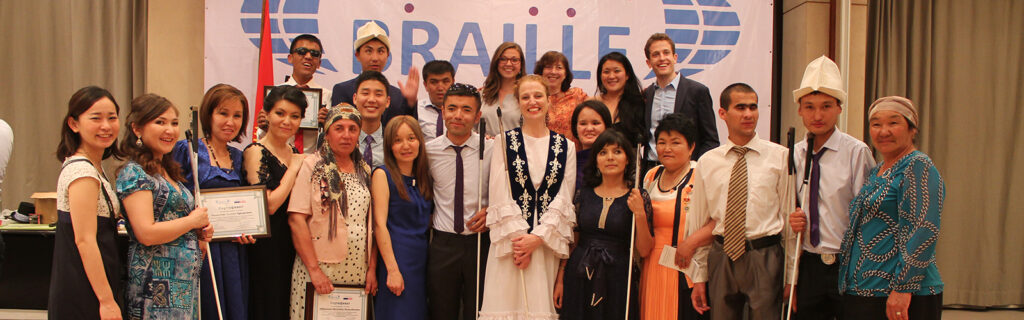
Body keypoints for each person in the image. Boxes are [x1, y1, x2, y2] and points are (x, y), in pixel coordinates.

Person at [684, 83, 796, 320]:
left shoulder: (780, 157)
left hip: (764, 254)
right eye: (740, 108)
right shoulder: (708, 161)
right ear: (722, 113)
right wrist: (699, 277)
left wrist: (791, 276)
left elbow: (788, 218)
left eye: (753, 107)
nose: (748, 114)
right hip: (721, 254)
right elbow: (700, 220)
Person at [479, 75, 576, 319]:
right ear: (518, 103)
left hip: (545, 245)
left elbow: (564, 200)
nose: (532, 101)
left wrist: (537, 238)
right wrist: (520, 243)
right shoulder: (503, 141)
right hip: (509, 245)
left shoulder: (566, 146)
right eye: (525, 97)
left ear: (548, 100)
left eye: (538, 96)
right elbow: (499, 195)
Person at [838, 96, 944, 320]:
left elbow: (923, 229)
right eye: (876, 124)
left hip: (901, 294)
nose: (884, 131)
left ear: (912, 129)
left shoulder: (917, 165)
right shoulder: (877, 171)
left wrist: (903, 288)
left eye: (893, 123)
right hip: (864, 291)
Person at [786, 56, 875, 320]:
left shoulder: (856, 152)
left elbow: (869, 214)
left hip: (847, 263)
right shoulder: (794, 154)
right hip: (809, 264)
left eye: (826, 106)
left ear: (839, 108)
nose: (817, 115)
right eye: (809, 107)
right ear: (799, 110)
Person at [116, 93, 212, 319]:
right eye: (160, 122)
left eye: (174, 123)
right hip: (154, 283)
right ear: (137, 129)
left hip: (182, 282)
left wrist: (199, 232)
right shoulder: (135, 173)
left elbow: (177, 223)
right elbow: (146, 233)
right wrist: (191, 221)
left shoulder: (170, 171)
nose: (170, 130)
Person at [171, 84, 254, 320]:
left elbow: (246, 204)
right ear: (209, 114)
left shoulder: (239, 156)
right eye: (223, 113)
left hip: (232, 250)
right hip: (199, 246)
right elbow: (175, 198)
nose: (230, 122)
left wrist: (247, 229)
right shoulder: (187, 149)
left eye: (237, 116)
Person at [287, 105, 375, 319]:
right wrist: (314, 271)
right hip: (319, 268)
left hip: (357, 270)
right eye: (339, 128)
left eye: (353, 129)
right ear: (327, 133)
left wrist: (371, 269)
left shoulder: (364, 169)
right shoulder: (313, 166)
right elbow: (296, 220)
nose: (346, 135)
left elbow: (372, 224)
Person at [556, 129, 650, 319]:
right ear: (596, 160)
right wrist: (560, 279)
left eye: (617, 151)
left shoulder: (638, 196)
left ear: (627, 159)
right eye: (603, 152)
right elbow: (572, 241)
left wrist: (640, 213)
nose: (610, 157)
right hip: (580, 272)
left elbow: (645, 250)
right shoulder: (583, 194)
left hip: (618, 276)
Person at [49, 86, 126, 320]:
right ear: (74, 124)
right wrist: (107, 301)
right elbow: (85, 241)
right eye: (96, 118)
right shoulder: (82, 171)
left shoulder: (94, 166)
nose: (106, 126)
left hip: (94, 282)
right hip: (84, 290)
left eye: (112, 118)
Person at [425, 83, 493, 320]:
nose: (458, 115)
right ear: (443, 111)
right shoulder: (428, 151)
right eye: (452, 108)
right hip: (443, 243)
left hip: (480, 242)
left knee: (479, 312)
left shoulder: (492, 149)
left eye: (466, 110)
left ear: (477, 116)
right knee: (441, 311)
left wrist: (491, 211)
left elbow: (506, 194)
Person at [639, 113, 712, 320]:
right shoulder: (651, 176)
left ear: (691, 147)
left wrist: (691, 243)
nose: (667, 148)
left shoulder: (701, 175)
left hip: (687, 266)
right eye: (662, 142)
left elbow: (718, 221)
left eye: (675, 142)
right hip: (652, 265)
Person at [244, 86, 308, 320]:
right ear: (267, 114)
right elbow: (268, 205)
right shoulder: (255, 151)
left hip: (293, 243)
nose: (287, 121)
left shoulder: (295, 151)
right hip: (267, 247)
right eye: (280, 113)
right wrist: (294, 168)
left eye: (295, 116)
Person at [371, 116, 434, 319]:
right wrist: (392, 270)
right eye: (397, 140)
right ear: (389, 146)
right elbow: (379, 225)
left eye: (411, 138)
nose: (406, 146)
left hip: (421, 260)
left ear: (420, 142)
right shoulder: (383, 175)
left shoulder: (424, 176)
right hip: (397, 259)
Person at [642, 33, 718, 167]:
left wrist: (695, 169)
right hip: (651, 168)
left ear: (675, 58)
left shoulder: (697, 91)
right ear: (649, 63)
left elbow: (710, 140)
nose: (662, 58)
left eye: (666, 53)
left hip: (687, 170)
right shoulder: (647, 95)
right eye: (656, 55)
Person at [330, 21, 419, 127]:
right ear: (357, 55)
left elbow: (408, 130)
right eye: (369, 51)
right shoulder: (342, 90)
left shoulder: (398, 96)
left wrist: (410, 103)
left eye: (380, 51)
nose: (375, 58)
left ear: (387, 55)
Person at [256, 34, 332, 154]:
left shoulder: (328, 95)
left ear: (319, 63)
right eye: (302, 51)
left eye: (314, 54)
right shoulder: (275, 93)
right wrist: (264, 127)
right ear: (290, 58)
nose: (308, 56)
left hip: (312, 161)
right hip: (277, 157)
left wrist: (328, 126)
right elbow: (261, 138)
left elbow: (332, 141)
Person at [534, 51, 588, 145]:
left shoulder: (577, 95)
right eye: (548, 67)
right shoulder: (533, 99)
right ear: (541, 71)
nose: (553, 72)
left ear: (565, 73)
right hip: (540, 150)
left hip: (572, 151)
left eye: (559, 68)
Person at [594, 52, 647, 148]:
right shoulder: (592, 104)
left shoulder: (639, 104)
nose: (611, 76)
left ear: (627, 75)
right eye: (606, 72)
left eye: (617, 71)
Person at [480, 42, 525, 137]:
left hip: (516, 146)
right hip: (484, 146)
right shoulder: (482, 94)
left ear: (521, 64)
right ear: (496, 63)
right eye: (503, 59)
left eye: (514, 60)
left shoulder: (527, 96)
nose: (508, 64)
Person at [569, 100, 612, 192]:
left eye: (595, 123)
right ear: (575, 128)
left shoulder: (613, 160)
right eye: (583, 124)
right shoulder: (568, 161)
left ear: (607, 126)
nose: (589, 128)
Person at [352, 71, 392, 169]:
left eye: (378, 94)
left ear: (387, 101)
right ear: (355, 98)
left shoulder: (393, 140)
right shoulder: (343, 137)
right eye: (365, 93)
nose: (371, 100)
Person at [417, 60, 455, 139]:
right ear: (425, 85)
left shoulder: (463, 111)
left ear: (453, 83)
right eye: (434, 82)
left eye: (445, 81)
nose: (440, 88)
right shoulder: (416, 110)